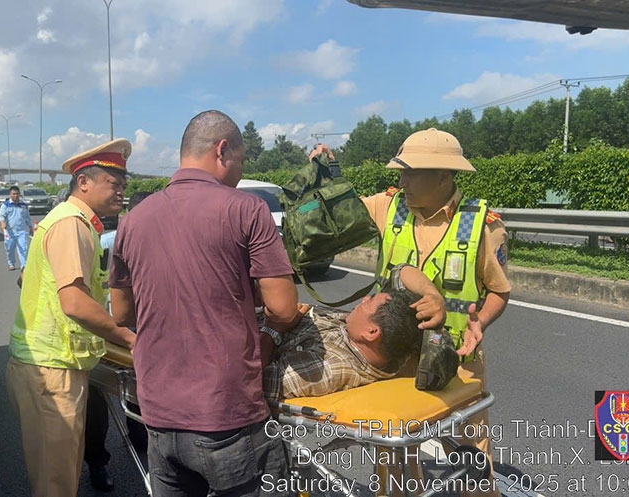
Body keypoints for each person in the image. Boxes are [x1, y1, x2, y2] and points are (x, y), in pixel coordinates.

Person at [109, 110, 299, 497]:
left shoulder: (133, 219)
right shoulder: (247, 209)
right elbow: (283, 309)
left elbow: (122, 314)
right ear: (222, 150)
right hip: (226, 414)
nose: (240, 175)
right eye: (241, 163)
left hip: (159, 415)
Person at [337, 127, 510, 497]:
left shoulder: (482, 225)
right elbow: (338, 211)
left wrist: (482, 319)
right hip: (395, 357)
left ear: (443, 175)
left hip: (456, 360)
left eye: (411, 172)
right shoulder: (389, 206)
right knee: (393, 454)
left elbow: (498, 291)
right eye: (401, 172)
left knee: (470, 455)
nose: (402, 180)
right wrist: (328, 171)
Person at [6, 138, 137, 497]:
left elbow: (28, 279)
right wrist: (127, 338)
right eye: (114, 184)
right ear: (84, 182)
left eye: (124, 185)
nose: (121, 192)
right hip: (52, 370)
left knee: (58, 471)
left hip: (51, 364)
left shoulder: (66, 221)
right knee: (55, 482)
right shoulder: (71, 224)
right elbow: (75, 303)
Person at [262, 264, 454, 402]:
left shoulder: (331, 368)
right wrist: (433, 296)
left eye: (368, 302)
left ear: (371, 332)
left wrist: (273, 329)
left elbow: (253, 384)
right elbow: (401, 270)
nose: (363, 299)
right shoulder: (395, 338)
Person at [85, 189, 153, 492]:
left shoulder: (158, 239)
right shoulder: (103, 243)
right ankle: (97, 463)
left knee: (139, 391)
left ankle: (141, 440)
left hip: (137, 328)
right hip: (105, 329)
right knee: (96, 403)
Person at [0, 185, 32, 270]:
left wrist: (30, 227)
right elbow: (2, 217)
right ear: (10, 194)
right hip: (10, 232)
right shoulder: (5, 205)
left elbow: (27, 218)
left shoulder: (23, 205)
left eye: (17, 194)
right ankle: (11, 263)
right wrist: (2, 224)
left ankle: (23, 265)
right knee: (10, 249)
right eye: (13, 194)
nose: (15, 195)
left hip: (22, 231)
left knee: (23, 249)